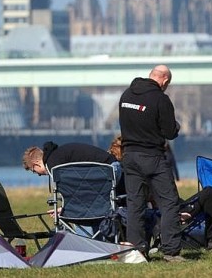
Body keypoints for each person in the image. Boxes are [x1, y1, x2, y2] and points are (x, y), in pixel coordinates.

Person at [118, 64, 183, 263]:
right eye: (167, 84)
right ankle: (171, 252)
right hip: (153, 157)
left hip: (129, 156)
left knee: (135, 205)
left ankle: (137, 251)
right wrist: (176, 126)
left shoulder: (126, 96)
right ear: (164, 80)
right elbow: (170, 132)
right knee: (169, 203)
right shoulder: (160, 99)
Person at [22, 141, 118, 176]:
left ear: (36, 163)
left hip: (109, 172)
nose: (38, 175)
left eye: (34, 171)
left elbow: (72, 191)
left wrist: (64, 210)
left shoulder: (53, 166)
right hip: (113, 167)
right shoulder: (58, 155)